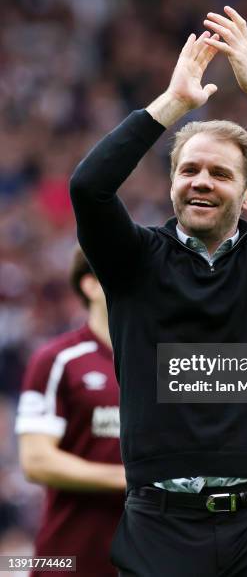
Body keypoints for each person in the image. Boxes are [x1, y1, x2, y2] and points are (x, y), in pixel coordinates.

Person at [70, 6, 247, 576]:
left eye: (220, 174)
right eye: (189, 170)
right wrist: (172, 105)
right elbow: (90, 188)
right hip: (157, 523)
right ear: (172, 184)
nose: (202, 180)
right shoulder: (133, 263)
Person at [15, 247, 126, 577]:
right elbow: (36, 460)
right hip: (70, 558)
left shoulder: (169, 364)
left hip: (150, 557)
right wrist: (128, 478)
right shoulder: (57, 360)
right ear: (90, 285)